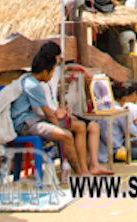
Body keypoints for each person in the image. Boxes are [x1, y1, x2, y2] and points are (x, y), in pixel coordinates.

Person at [33, 42, 112, 175]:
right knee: (80, 126)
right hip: (48, 117)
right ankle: (83, 169)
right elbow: (40, 109)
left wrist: (82, 69)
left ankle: (93, 165)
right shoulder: (39, 81)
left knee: (93, 126)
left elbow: (68, 67)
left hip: (57, 113)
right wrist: (58, 114)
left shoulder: (54, 71)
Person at [5, 49, 85, 175]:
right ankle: (80, 173)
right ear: (44, 72)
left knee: (76, 126)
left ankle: (81, 170)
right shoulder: (34, 86)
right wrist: (60, 131)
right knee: (67, 136)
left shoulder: (31, 81)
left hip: (33, 120)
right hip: (25, 125)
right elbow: (49, 114)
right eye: (52, 71)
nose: (53, 75)